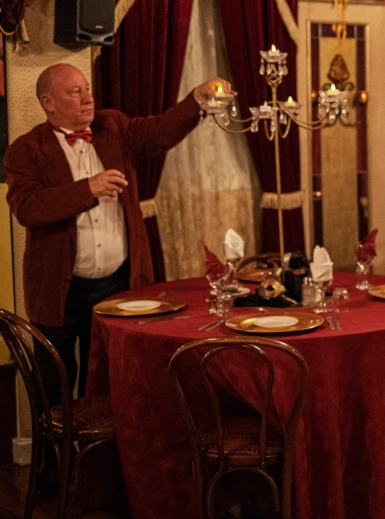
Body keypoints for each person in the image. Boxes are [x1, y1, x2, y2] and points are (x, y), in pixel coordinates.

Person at [5, 63, 231, 403]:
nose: (87, 97)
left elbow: (159, 132)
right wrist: (89, 188)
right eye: (74, 92)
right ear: (48, 103)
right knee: (54, 388)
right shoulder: (25, 150)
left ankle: (100, 457)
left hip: (116, 285)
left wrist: (196, 100)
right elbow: (29, 208)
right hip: (58, 288)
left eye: (86, 88)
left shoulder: (112, 126)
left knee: (110, 384)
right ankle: (56, 456)